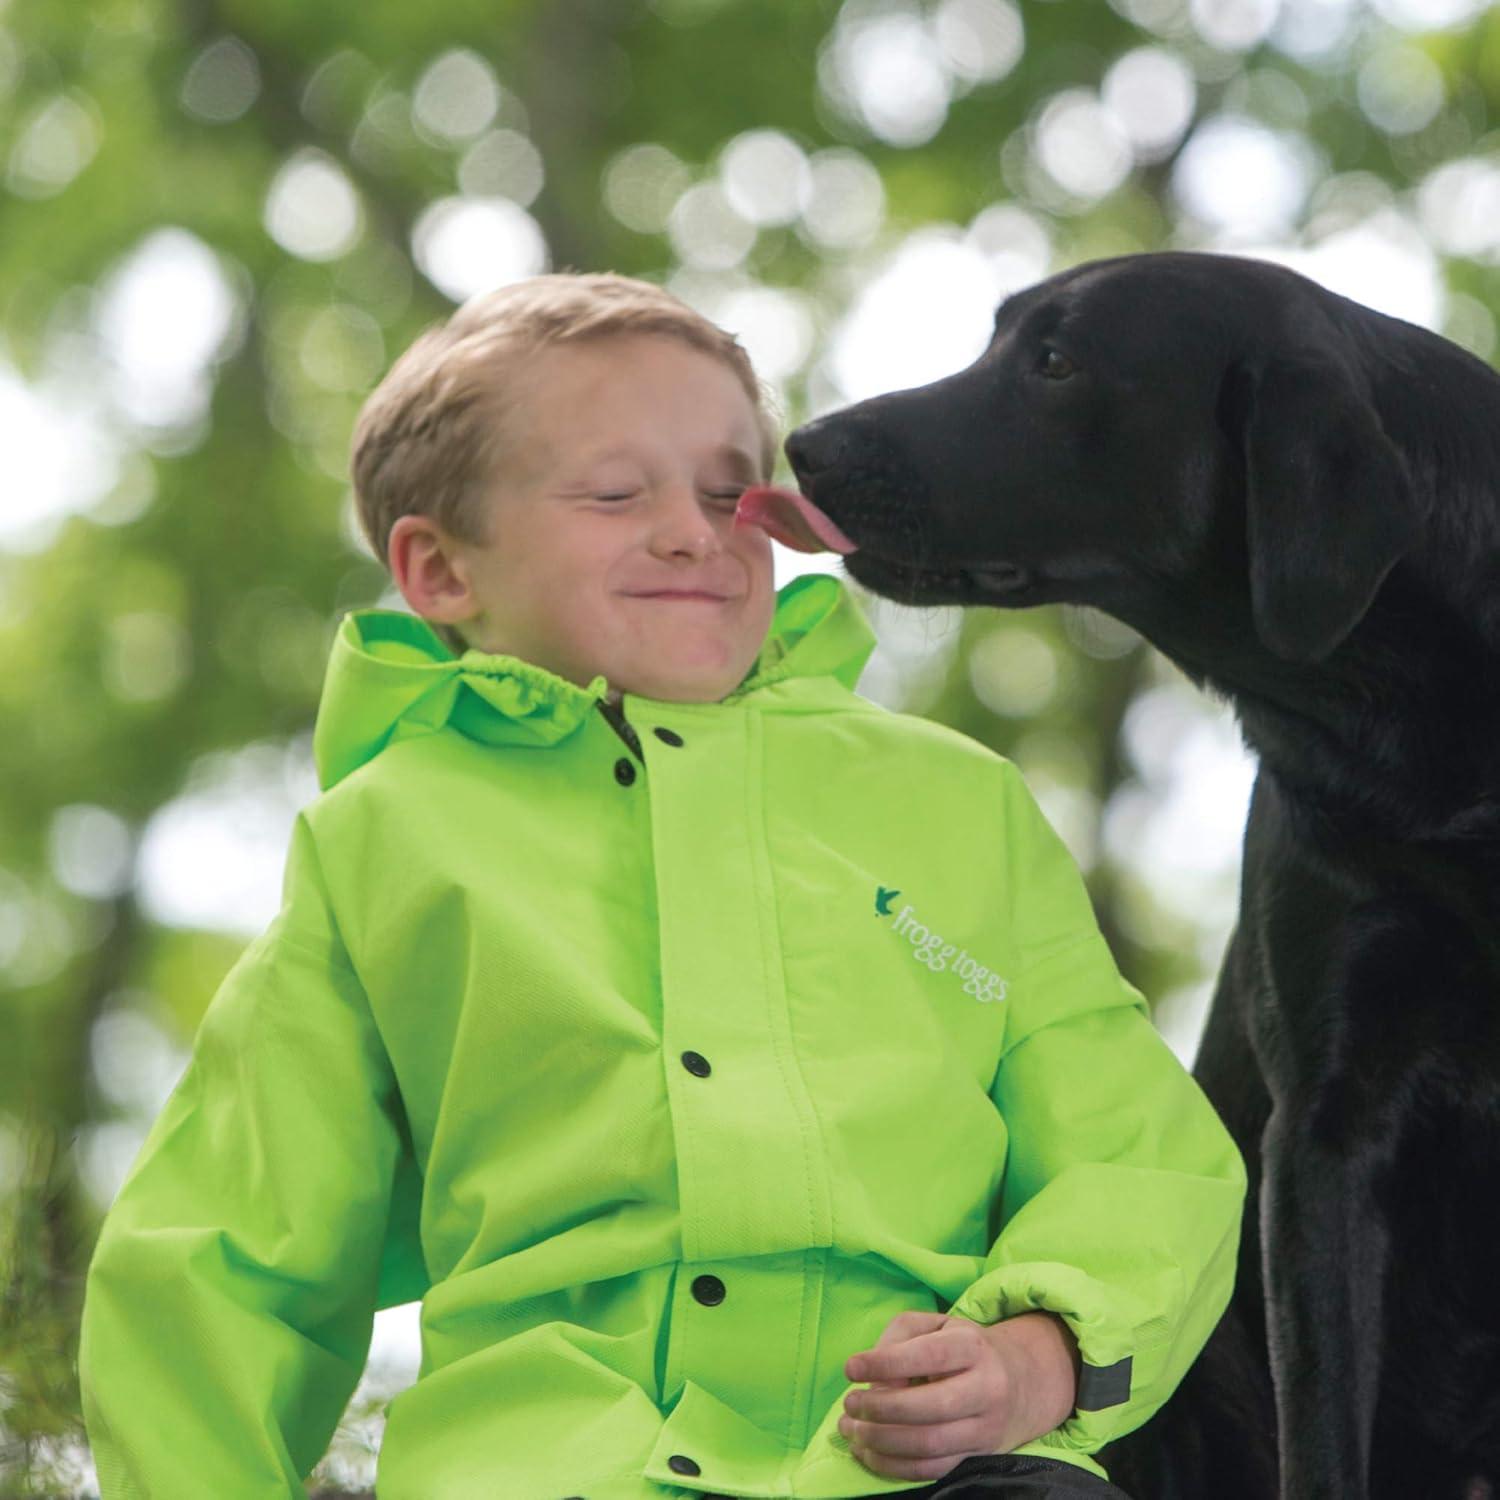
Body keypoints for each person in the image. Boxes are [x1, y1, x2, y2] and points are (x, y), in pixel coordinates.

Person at [76, 271, 1246, 1500]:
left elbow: (1140, 1157)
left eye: (729, 491)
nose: (694, 532)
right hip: (548, 1473)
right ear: (441, 572)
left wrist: (1031, 1359)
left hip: (912, 1474)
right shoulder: (386, 841)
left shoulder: (961, 807)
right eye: (613, 493)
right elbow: (225, 1256)